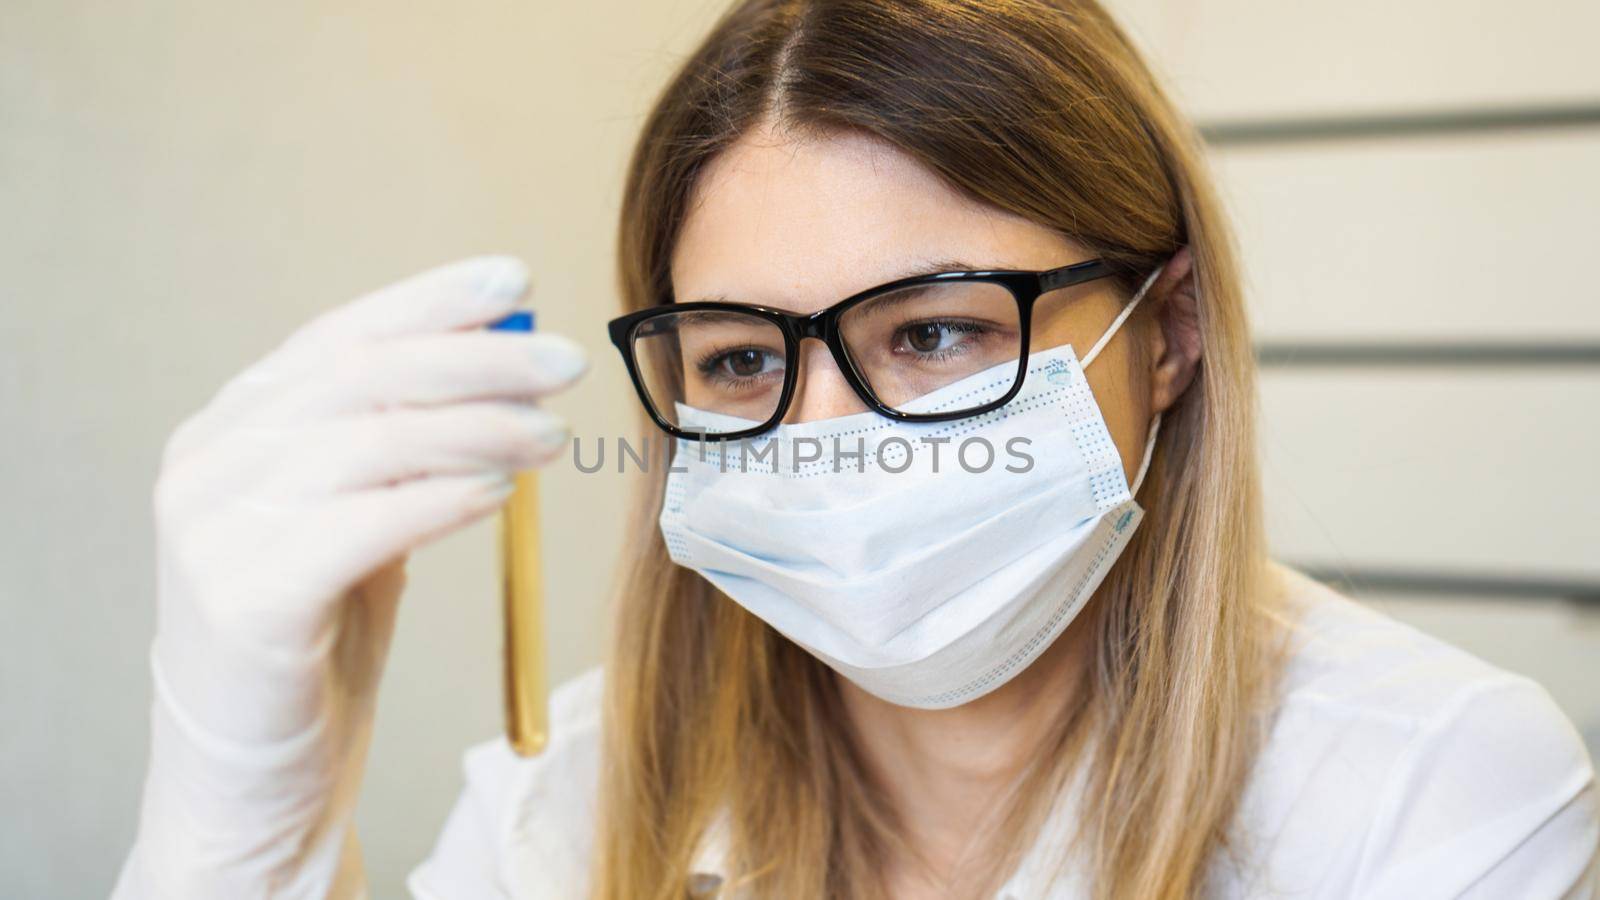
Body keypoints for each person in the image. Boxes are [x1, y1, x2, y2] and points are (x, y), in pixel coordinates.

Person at [113, 0, 1599, 898]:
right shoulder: (572, 797)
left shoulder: (1430, 790)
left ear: (1170, 328)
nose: (832, 442)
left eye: (937, 333)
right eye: (746, 359)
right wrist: (233, 841)